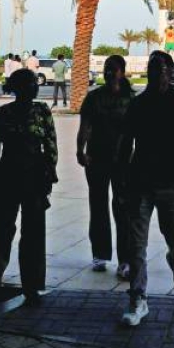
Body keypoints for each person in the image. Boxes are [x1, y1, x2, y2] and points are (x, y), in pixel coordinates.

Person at [117, 51, 174, 327]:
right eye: (152, 69)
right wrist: (123, 176)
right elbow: (127, 142)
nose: (156, 75)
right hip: (140, 182)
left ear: (169, 73)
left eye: (161, 70)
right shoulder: (138, 105)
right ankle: (138, 298)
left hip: (170, 181)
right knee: (136, 243)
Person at [0, 68, 58, 304]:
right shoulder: (2, 113)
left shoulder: (42, 111)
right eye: (31, 83)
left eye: (35, 83)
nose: (35, 87)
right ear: (19, 88)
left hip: (35, 175)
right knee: (2, 229)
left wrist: (49, 175)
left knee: (33, 233)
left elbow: (51, 146)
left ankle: (31, 286)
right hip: (8, 174)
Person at [78, 55, 134, 278]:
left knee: (123, 208)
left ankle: (126, 259)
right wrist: (79, 150)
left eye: (114, 69)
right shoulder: (94, 98)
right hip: (97, 159)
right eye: (107, 69)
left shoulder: (130, 99)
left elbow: (136, 132)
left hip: (123, 161)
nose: (109, 72)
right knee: (98, 205)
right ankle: (100, 253)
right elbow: (85, 126)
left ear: (122, 71)